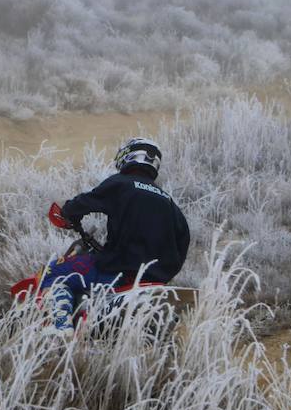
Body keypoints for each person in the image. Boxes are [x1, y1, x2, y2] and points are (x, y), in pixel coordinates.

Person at [39, 137, 190, 334]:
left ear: (128, 155)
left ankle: (59, 331)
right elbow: (184, 242)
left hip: (117, 271)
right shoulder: (170, 203)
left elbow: (83, 203)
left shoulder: (121, 183)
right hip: (153, 280)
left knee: (54, 273)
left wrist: (68, 214)